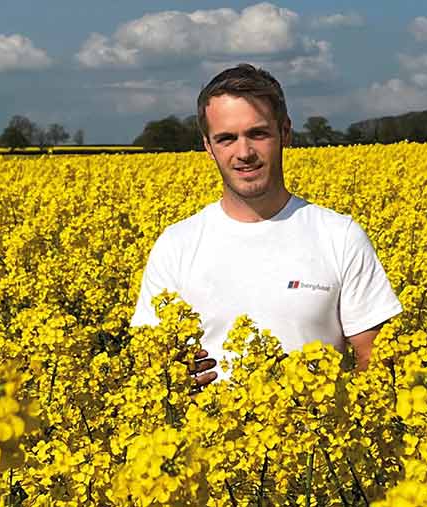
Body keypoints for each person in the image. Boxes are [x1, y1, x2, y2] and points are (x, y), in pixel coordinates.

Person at [130, 63, 402, 390]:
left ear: (285, 133)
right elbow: (148, 368)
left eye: (257, 134)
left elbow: (376, 361)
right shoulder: (176, 245)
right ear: (208, 146)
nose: (244, 152)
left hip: (317, 438)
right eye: (226, 139)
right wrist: (169, 378)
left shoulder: (339, 236)